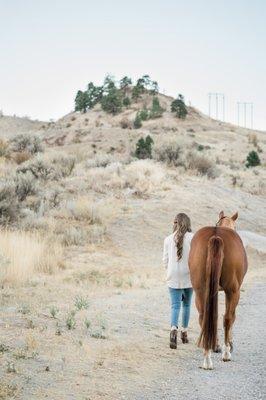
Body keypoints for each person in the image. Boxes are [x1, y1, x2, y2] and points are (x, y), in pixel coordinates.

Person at [163, 213, 193, 349]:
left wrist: (169, 272)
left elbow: (165, 261)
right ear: (188, 223)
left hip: (173, 275)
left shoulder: (168, 239)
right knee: (186, 305)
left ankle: (173, 331)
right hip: (189, 275)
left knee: (175, 306)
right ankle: (184, 333)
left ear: (175, 223)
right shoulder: (193, 238)